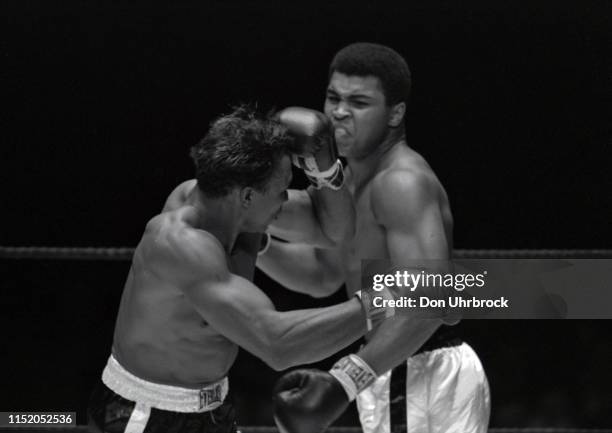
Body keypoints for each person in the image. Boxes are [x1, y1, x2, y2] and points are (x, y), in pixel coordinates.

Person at [87, 105, 412, 433]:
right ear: (247, 196)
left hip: (214, 407)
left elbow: (333, 230)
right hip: (148, 416)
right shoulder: (181, 245)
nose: (287, 197)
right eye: (281, 189)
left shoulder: (232, 207)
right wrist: (390, 298)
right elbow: (277, 342)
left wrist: (324, 172)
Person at [258, 43, 490, 433]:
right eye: (333, 97)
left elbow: (433, 297)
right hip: (395, 364)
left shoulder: (400, 182)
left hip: (418, 366)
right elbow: (323, 275)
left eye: (359, 102)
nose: (339, 112)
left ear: (395, 113)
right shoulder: (348, 182)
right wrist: (254, 242)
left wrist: (346, 379)